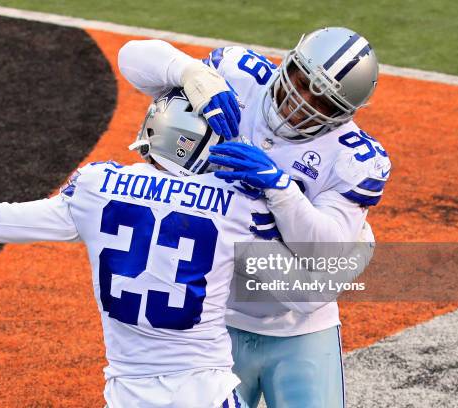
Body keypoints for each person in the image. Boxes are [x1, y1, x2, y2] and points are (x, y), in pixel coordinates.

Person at [0, 90, 279, 408]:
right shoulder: (239, 204)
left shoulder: (98, 186)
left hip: (128, 392)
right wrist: (282, 192)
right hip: (206, 391)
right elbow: (300, 285)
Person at [118, 27, 391, 407]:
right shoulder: (239, 75)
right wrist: (188, 72)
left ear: (344, 114)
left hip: (298, 329)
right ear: (289, 63)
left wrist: (280, 191)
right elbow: (131, 56)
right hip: (209, 317)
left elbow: (324, 259)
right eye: (302, 81)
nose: (303, 102)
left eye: (324, 101)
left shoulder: (353, 157)